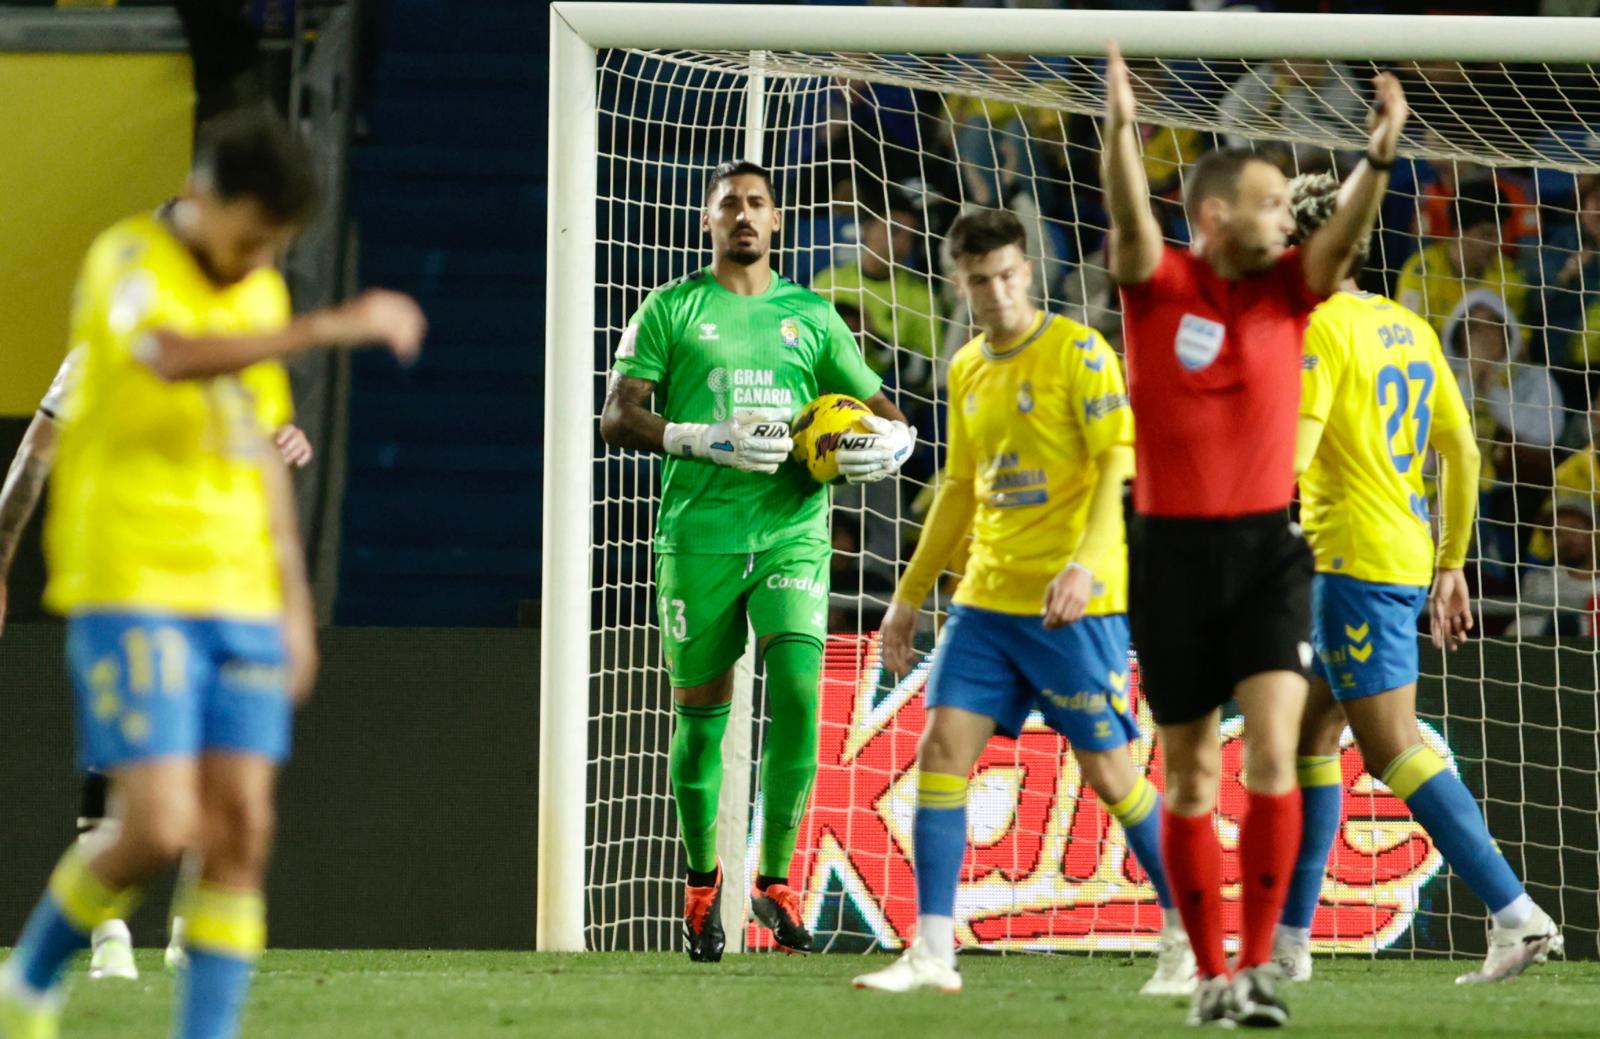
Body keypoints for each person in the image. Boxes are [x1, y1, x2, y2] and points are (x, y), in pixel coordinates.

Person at [0, 107, 425, 1039]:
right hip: (134, 580)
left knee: (241, 829)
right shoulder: (129, 264)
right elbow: (165, 357)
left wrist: (297, 606)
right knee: (154, 827)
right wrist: (329, 327)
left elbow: (259, 459)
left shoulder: (260, 298)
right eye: (249, 239)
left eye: (273, 248)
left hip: (240, 590)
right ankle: (30, 978)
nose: (254, 262)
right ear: (204, 199)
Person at [1101, 40, 1407, 1026]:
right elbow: (1127, 219)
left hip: (1269, 549)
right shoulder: (1158, 286)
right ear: (1215, 214)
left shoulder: (1290, 289)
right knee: (1188, 767)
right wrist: (1117, 131)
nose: (1289, 218)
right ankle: (1209, 971)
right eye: (1274, 202)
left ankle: (1258, 967)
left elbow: (1339, 239)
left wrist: (1379, 157)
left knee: (1271, 752)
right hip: (1169, 555)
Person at [851, 208, 1195, 997]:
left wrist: (1083, 564)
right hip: (985, 602)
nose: (997, 292)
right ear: (960, 284)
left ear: (1028, 273)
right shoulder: (968, 366)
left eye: (1008, 276)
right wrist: (907, 598)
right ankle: (933, 951)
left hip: (1075, 605)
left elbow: (1119, 465)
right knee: (940, 751)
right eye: (980, 281)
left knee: (1112, 774)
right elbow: (961, 488)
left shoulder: (1079, 351)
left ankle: (1189, 933)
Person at [600, 159, 914, 962]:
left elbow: (885, 414)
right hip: (698, 536)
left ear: (777, 223)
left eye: (757, 205)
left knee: (803, 691)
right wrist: (696, 437)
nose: (744, 215)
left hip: (792, 531)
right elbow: (617, 417)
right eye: (729, 204)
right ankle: (703, 883)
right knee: (700, 722)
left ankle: (775, 882)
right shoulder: (671, 308)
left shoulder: (811, 317)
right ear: (708, 221)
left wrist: (894, 444)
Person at [1274, 171, 1562, 988]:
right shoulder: (1404, 324)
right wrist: (1452, 560)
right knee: (1311, 738)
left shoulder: (1318, 330)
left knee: (1390, 742)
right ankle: (1291, 941)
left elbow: (1291, 457)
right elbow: (1462, 452)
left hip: (1355, 559)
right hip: (1402, 549)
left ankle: (1515, 912)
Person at [0, 342, 315, 984]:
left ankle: (188, 935)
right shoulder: (112, 338)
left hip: (223, 578)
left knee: (224, 774)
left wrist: (281, 443)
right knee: (126, 776)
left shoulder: (245, 332)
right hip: (128, 576)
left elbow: (255, 450)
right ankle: (104, 939)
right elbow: (38, 450)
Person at [1396, 178, 1529, 337]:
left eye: (1500, 235)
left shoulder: (1509, 276)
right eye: (1487, 235)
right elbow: (1405, 335)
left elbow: (1520, 345)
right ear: (1459, 231)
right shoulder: (1420, 272)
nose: (1497, 244)